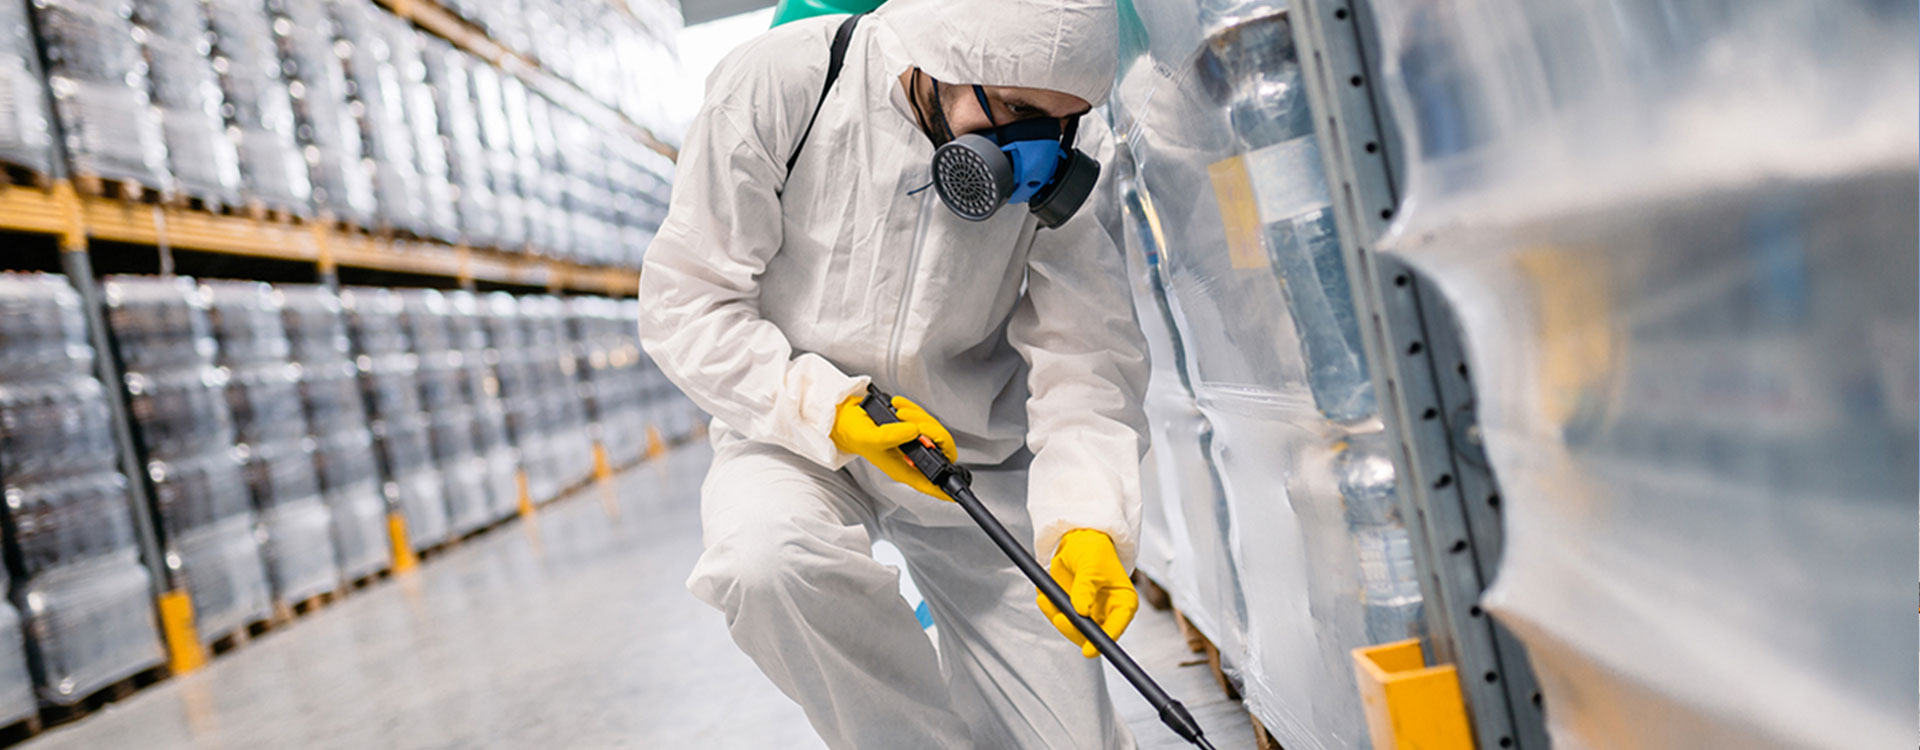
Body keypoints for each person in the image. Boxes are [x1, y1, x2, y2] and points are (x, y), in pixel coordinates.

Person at [637, 0, 1149, 747]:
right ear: (941, 55)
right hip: (797, 438)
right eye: (1013, 110)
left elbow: (1089, 354)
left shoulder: (1075, 155)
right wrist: (823, 409)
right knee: (767, 559)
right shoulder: (789, 83)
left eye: (1061, 120)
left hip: (974, 454)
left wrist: (1090, 517)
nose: (1034, 154)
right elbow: (686, 301)